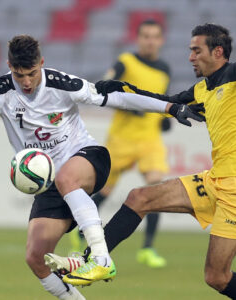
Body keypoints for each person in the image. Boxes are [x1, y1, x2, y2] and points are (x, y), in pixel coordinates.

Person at [0, 35, 205, 298]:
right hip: (51, 181)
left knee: (67, 178)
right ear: (10, 67)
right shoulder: (1, 90)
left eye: (32, 73)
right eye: (20, 75)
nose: (27, 81)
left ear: (41, 63)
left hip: (88, 157)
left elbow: (115, 96)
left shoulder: (62, 83)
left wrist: (168, 107)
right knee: (36, 257)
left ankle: (101, 259)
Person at [45, 23, 236, 299]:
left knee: (217, 277)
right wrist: (124, 88)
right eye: (190, 51)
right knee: (139, 198)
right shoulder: (202, 89)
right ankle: (94, 260)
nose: (191, 57)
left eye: (197, 51)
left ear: (218, 51)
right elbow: (164, 102)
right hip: (215, 180)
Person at [71, 19, 171, 268]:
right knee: (104, 191)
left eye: (154, 36)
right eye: (145, 36)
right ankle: (80, 229)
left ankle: (148, 248)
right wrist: (127, 105)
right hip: (122, 138)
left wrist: (164, 120)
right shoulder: (126, 62)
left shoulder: (164, 70)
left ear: (161, 40)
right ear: (138, 39)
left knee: (155, 187)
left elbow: (159, 101)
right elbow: (104, 88)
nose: (150, 40)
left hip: (149, 139)